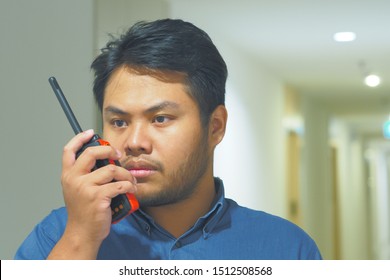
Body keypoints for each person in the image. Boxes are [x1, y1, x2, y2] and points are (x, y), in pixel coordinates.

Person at [15, 19, 322, 260]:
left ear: (215, 127)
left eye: (160, 119)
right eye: (119, 121)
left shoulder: (286, 249)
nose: (134, 142)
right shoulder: (60, 235)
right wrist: (81, 237)